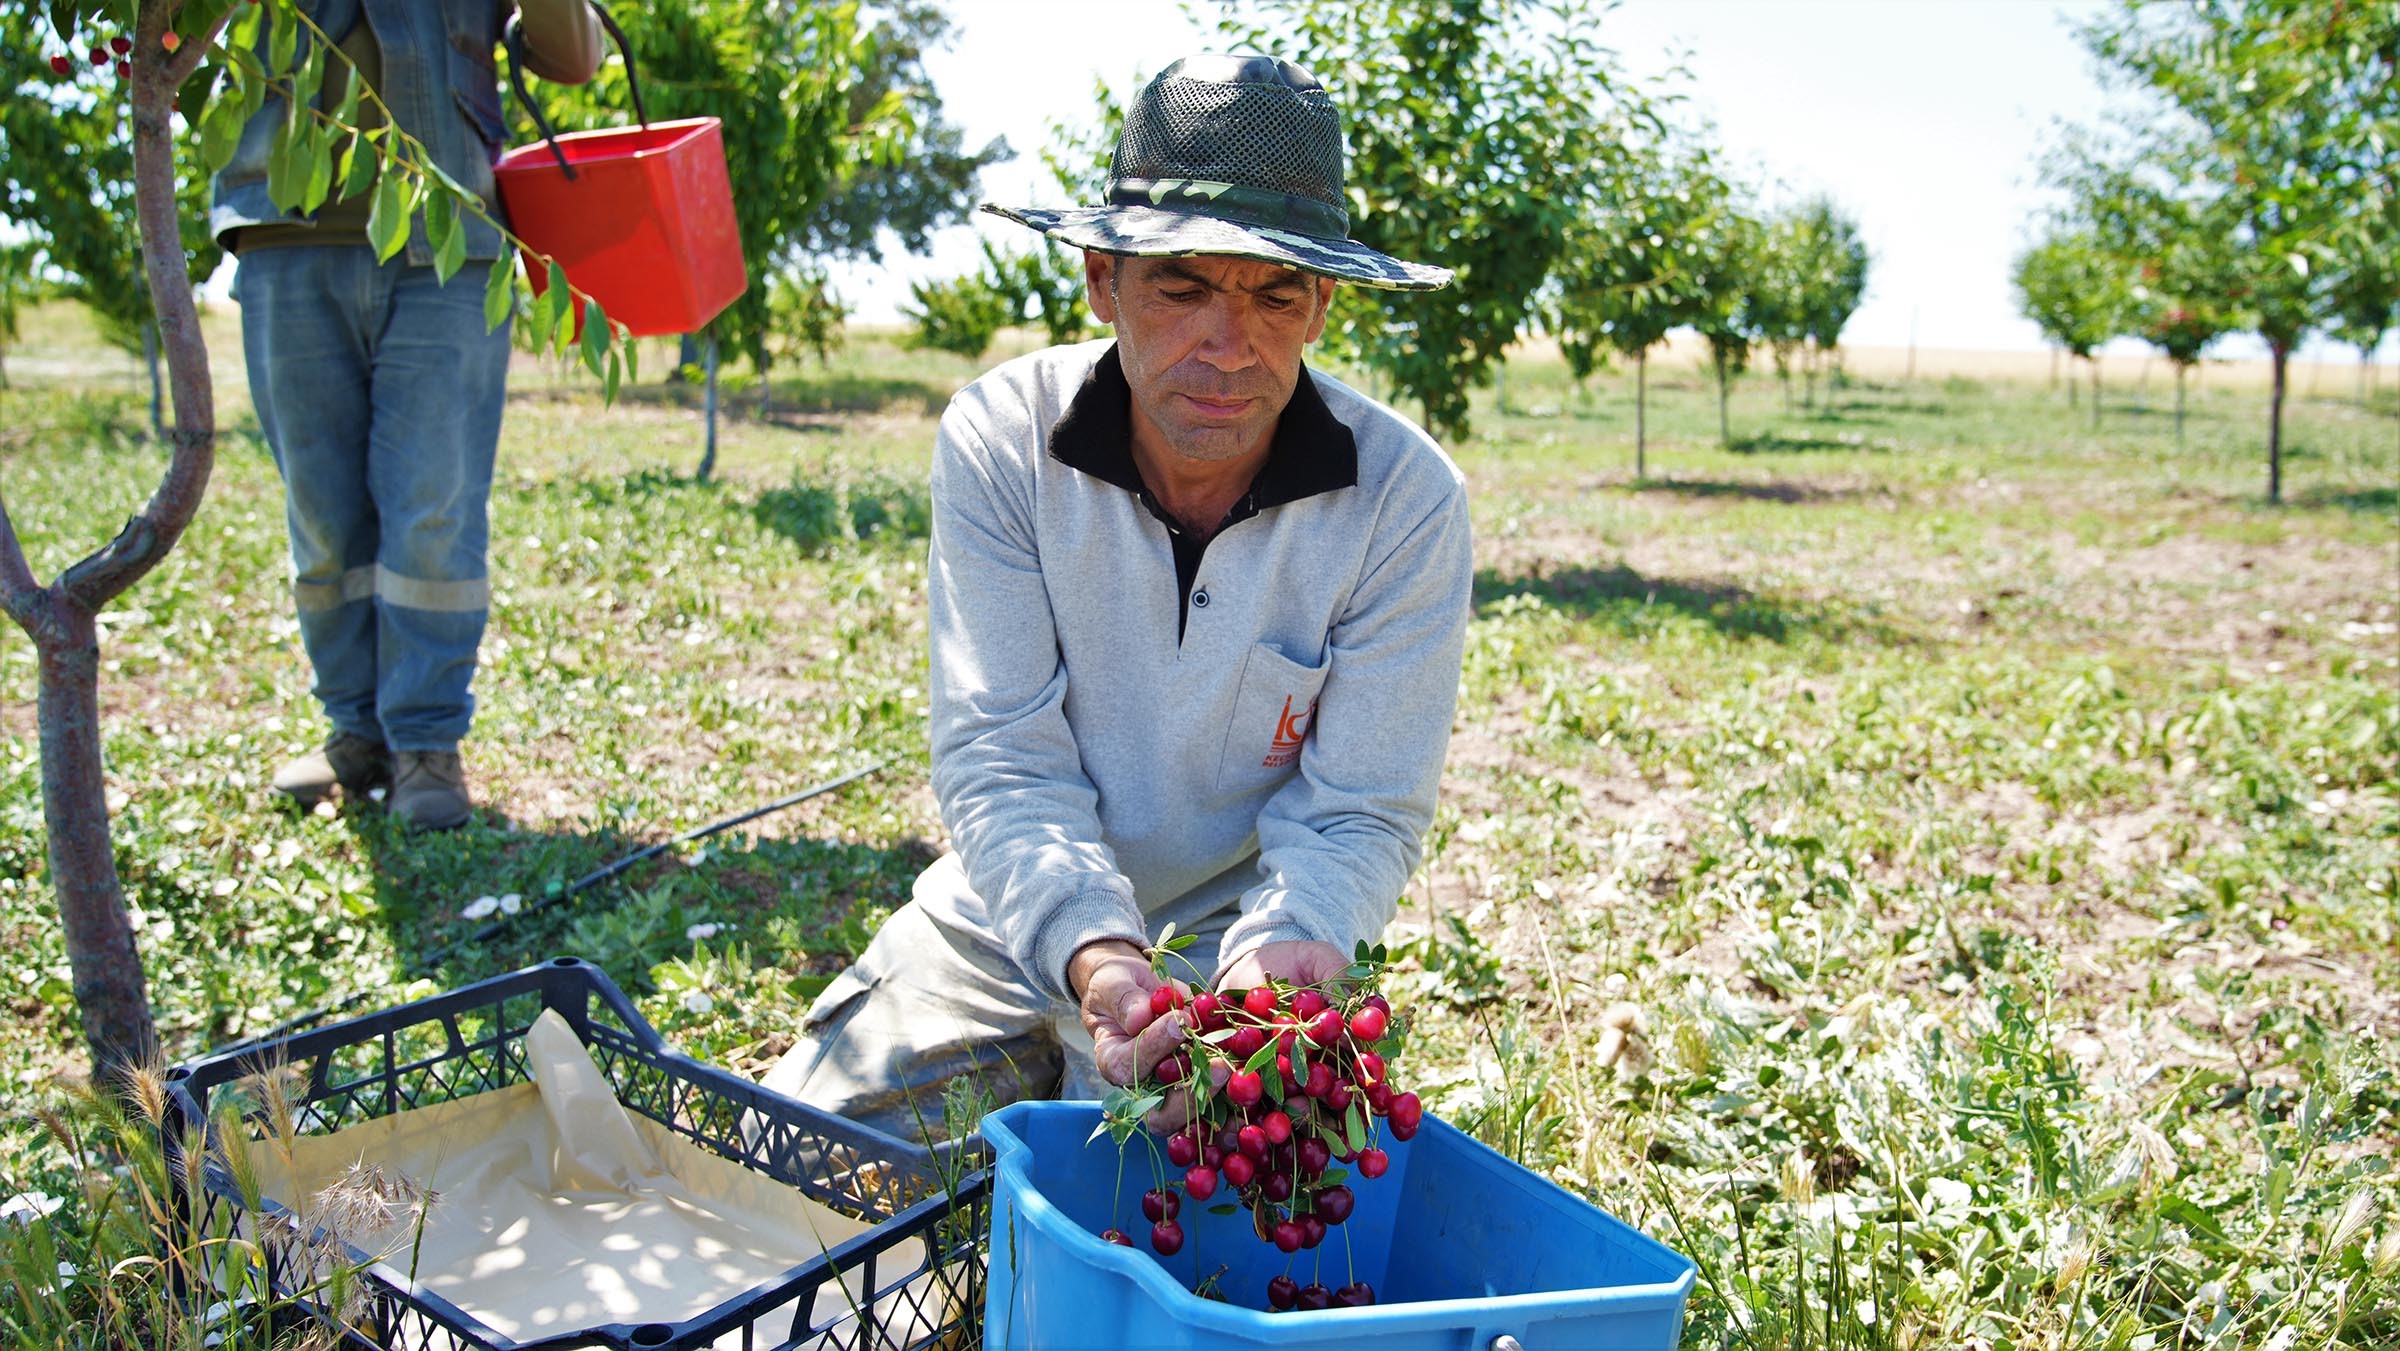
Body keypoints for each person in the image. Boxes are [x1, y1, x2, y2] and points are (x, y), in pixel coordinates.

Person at [762, 53, 1473, 1142]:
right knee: (802, 1163)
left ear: (1323, 302)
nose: (1227, 346)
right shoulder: (1007, 440)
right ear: (1103, 280)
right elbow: (1004, 754)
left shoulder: (1402, 502)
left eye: (1276, 294)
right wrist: (1096, 952)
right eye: (1181, 287)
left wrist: (1282, 961)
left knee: (1224, 1230)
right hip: (1007, 911)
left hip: (1240, 948)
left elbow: (1356, 811)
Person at [215, 0, 601, 830]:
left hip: (449, 239)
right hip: (284, 230)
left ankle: (426, 742)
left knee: (433, 506)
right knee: (322, 517)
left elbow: (570, 57)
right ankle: (358, 731)